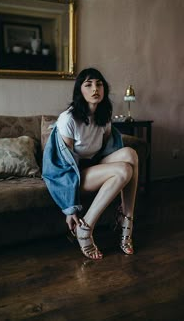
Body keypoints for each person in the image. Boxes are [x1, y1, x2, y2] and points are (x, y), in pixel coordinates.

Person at [42, 68, 138, 260]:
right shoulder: (68, 119)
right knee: (123, 170)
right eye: (88, 84)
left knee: (131, 155)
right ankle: (85, 228)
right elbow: (62, 166)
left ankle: (126, 221)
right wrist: (70, 207)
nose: (95, 89)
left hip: (93, 166)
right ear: (80, 91)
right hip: (75, 175)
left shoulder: (103, 116)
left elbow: (109, 149)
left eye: (99, 84)